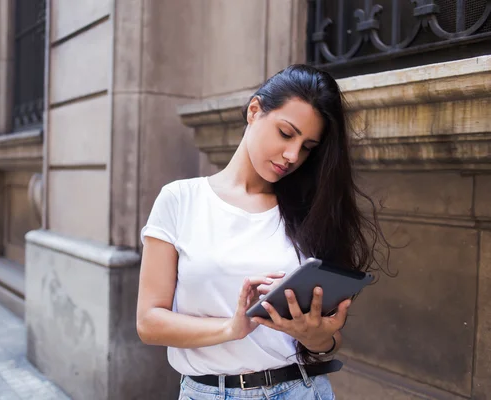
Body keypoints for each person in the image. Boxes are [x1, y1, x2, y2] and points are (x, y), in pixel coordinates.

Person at [136, 64, 389, 399]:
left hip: (301, 388)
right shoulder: (180, 199)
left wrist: (315, 335)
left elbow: (328, 341)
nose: (292, 155)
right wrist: (231, 328)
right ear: (254, 111)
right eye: (286, 133)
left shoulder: (310, 210)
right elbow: (149, 322)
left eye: (308, 146)